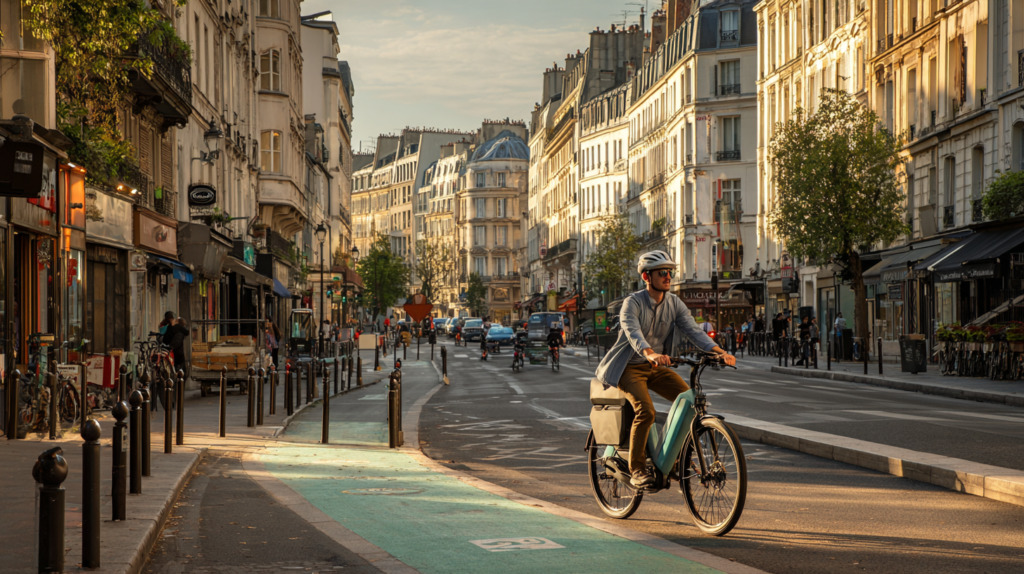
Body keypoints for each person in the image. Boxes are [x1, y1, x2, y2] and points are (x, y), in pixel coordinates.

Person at [595, 250, 736, 488]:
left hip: (655, 367)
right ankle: (637, 469)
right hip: (629, 368)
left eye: (670, 272)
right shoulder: (632, 303)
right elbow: (632, 331)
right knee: (646, 411)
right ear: (646, 277)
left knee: (689, 402)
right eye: (662, 272)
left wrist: (719, 352)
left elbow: (693, 330)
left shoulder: (674, 303)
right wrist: (649, 353)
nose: (668, 276)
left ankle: (674, 461)